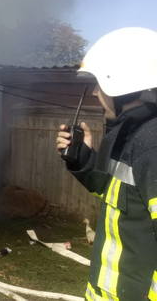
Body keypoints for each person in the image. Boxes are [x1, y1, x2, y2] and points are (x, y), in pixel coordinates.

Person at [56, 27, 157, 301]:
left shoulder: (152, 143)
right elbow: (120, 198)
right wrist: (83, 160)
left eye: (99, 84)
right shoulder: (127, 135)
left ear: (122, 85)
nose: (94, 93)